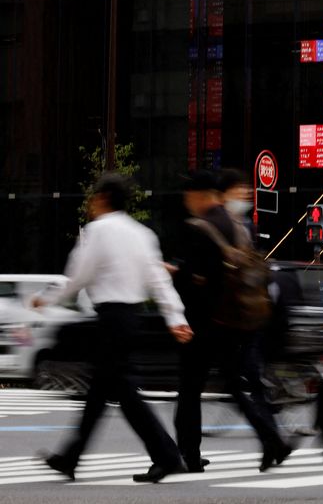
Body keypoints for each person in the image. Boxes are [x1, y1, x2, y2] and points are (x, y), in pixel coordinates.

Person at [33, 173, 192, 483]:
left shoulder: (97, 231)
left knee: (123, 393)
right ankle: (71, 457)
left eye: (93, 198)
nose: (91, 204)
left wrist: (47, 297)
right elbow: (158, 281)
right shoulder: (143, 234)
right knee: (101, 391)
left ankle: (168, 456)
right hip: (132, 318)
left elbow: (79, 276)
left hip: (110, 319)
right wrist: (177, 319)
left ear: (102, 198)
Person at [171, 170, 290, 473]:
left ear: (198, 196)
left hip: (202, 324)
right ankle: (271, 439)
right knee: (236, 388)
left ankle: (190, 454)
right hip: (235, 321)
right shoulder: (238, 227)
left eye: (188, 199)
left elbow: (195, 280)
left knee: (189, 390)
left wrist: (176, 274)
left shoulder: (196, 227)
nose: (188, 205)